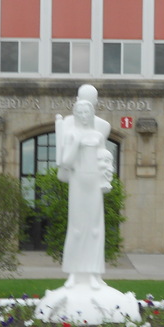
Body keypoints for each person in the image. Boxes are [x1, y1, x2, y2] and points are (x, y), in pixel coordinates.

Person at [56, 94, 113, 290]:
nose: (82, 116)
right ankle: (73, 273)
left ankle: (95, 274)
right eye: (79, 112)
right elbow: (66, 162)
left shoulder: (98, 136)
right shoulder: (71, 134)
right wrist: (77, 143)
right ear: (75, 114)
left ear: (91, 114)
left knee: (96, 229)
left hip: (94, 184)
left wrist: (106, 176)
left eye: (86, 112)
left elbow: (104, 158)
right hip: (78, 182)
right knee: (77, 228)